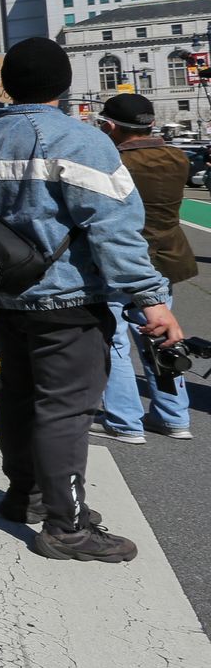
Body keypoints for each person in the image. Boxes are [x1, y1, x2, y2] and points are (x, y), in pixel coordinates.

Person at [0, 38, 184, 563]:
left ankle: (24, 496)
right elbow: (113, 227)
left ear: (7, 85)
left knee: (21, 399)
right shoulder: (80, 139)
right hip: (67, 296)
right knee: (65, 410)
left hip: (1, 294)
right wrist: (151, 300)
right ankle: (66, 527)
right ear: (65, 84)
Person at [94, 93, 196, 442]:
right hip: (166, 254)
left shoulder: (111, 161)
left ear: (110, 126)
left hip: (120, 256)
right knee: (160, 335)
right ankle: (174, 416)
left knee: (114, 339)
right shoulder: (177, 156)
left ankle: (123, 420)